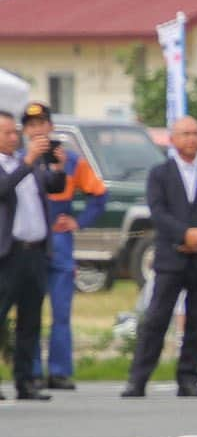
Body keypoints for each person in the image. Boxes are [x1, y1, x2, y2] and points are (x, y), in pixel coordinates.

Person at [122, 116, 197, 398]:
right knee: (156, 318)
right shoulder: (160, 173)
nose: (191, 139)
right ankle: (138, 379)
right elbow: (158, 212)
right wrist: (184, 235)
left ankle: (188, 378)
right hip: (172, 258)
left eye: (195, 133)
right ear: (173, 139)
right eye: (185, 134)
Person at [21, 102, 108, 391]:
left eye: (41, 123)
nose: (37, 130)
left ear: (51, 127)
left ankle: (58, 371)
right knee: (29, 309)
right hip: (30, 242)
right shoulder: (21, 161)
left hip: (59, 240)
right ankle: (30, 371)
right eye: (31, 125)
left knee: (61, 311)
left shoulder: (71, 161)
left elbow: (99, 195)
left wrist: (78, 221)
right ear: (25, 131)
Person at [0, 108, 66, 400]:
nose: (15, 137)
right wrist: (27, 162)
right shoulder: (15, 165)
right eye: (8, 133)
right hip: (7, 253)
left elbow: (53, 188)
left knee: (31, 319)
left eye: (16, 132)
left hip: (35, 252)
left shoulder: (25, 162)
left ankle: (26, 380)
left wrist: (57, 169)